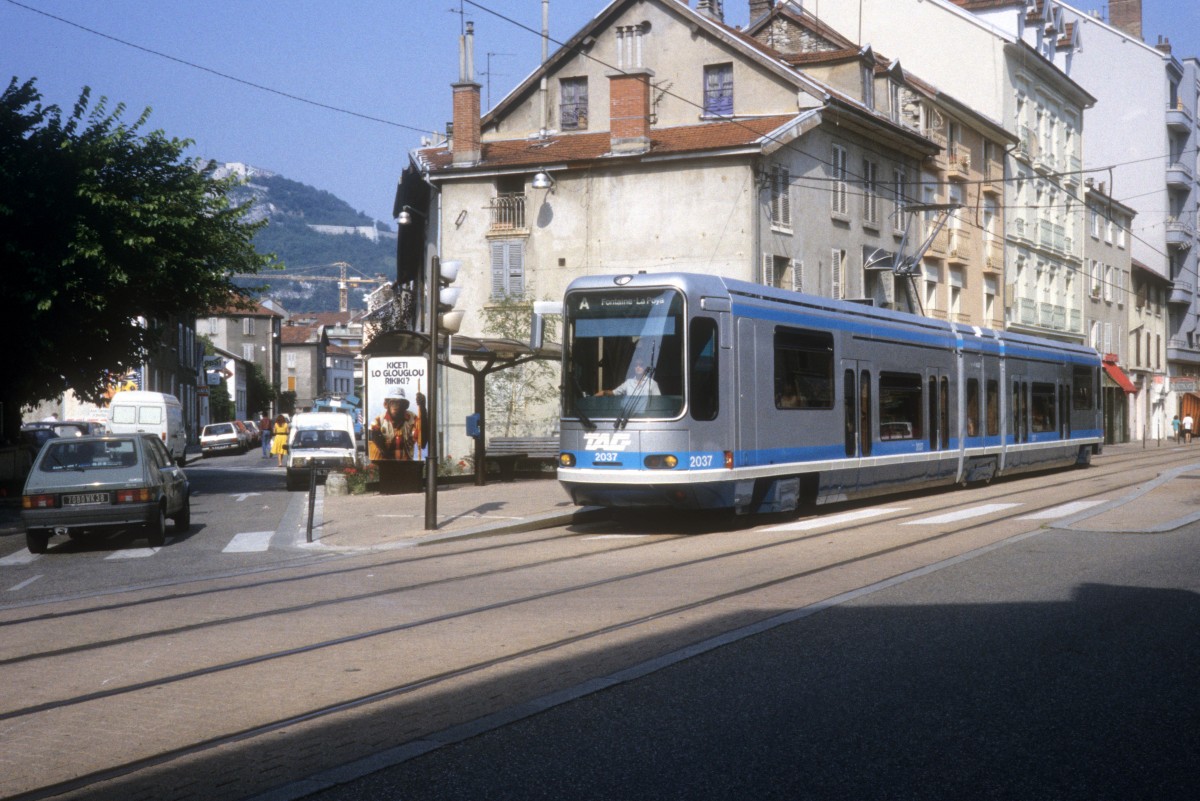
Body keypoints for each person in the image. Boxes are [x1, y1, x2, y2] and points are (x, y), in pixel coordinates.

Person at [368, 391, 423, 461]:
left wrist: (422, 408)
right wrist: (384, 451)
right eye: (392, 402)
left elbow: (422, 438)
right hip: (386, 464)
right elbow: (372, 435)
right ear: (387, 405)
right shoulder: (379, 420)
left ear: (403, 406)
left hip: (406, 464)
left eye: (398, 403)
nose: (395, 406)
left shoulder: (412, 418)